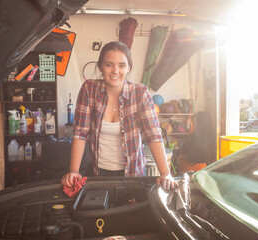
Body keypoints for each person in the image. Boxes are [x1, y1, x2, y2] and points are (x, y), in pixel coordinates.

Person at [61, 41, 177, 190]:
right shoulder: (89, 90)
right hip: (98, 173)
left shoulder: (140, 93)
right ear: (100, 67)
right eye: (109, 65)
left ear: (128, 68)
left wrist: (165, 173)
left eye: (122, 65)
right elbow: (80, 132)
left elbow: (153, 135)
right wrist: (73, 171)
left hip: (133, 175)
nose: (115, 71)